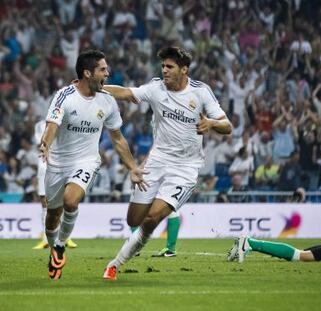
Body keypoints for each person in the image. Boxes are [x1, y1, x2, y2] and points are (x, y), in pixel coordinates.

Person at [102, 46, 232, 280]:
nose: (165, 70)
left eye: (169, 67)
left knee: (152, 218)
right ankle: (139, 239)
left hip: (185, 168)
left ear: (184, 70)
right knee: (134, 219)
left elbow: (228, 126)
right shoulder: (155, 88)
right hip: (157, 161)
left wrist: (211, 124)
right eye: (163, 66)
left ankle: (115, 264)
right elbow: (126, 93)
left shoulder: (201, 92)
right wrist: (96, 88)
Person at [40, 50, 146, 280]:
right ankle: (54, 249)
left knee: (71, 200)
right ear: (87, 73)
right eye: (102, 69)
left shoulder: (107, 100)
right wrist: (46, 144)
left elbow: (117, 138)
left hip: (87, 160)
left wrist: (133, 168)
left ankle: (59, 246)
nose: (107, 73)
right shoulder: (65, 95)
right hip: (58, 163)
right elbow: (52, 124)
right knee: (52, 215)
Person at [32, 119, 77, 249]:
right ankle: (45, 239)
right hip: (44, 163)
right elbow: (40, 142)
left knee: (64, 200)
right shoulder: (39, 125)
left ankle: (66, 237)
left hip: (62, 162)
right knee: (44, 201)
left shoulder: (68, 121)